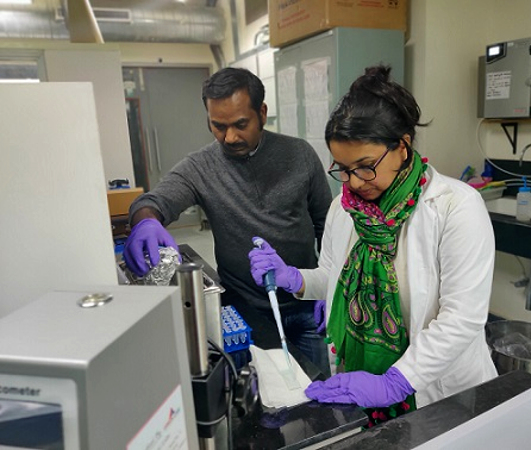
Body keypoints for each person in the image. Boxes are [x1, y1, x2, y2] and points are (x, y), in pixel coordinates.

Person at [249, 65, 497, 424]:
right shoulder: (344, 208)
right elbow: (333, 277)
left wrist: (396, 382)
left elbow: (462, 319)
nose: (353, 182)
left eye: (365, 166)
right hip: (363, 384)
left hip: (441, 394)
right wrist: (294, 279)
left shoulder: (455, 207)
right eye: (343, 169)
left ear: (402, 146)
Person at [123, 67, 333, 375]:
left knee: (319, 395)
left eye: (240, 124)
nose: (229, 137)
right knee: (266, 401)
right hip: (246, 312)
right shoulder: (201, 167)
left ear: (262, 112)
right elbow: (155, 201)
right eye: (218, 126)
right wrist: (146, 221)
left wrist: (332, 288)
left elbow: (327, 227)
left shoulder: (299, 155)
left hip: (306, 304)